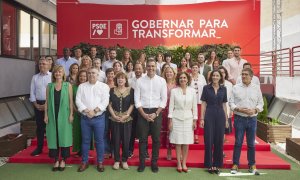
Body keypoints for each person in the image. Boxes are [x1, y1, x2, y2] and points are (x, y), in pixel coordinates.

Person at [134, 59, 167, 173]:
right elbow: (137, 99)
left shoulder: (162, 81)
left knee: (156, 140)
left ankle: (154, 163)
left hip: (156, 112)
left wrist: (156, 113)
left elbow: (164, 100)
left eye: (153, 66)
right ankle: (142, 163)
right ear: (145, 67)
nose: (151, 68)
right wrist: (143, 114)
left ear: (155, 67)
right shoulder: (139, 81)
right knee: (142, 139)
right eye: (148, 66)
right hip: (142, 112)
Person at [229, 68, 263, 175]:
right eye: (242, 74)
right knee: (238, 142)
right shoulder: (236, 87)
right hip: (239, 118)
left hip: (252, 119)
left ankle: (252, 165)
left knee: (251, 143)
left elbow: (261, 103)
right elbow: (231, 103)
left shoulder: (256, 88)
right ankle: (235, 164)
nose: (244, 76)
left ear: (251, 77)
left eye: (246, 74)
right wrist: (238, 109)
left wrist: (255, 110)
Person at [76, 67, 110, 173]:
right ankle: (84, 162)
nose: (91, 75)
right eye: (89, 73)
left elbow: (105, 101)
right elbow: (78, 100)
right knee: (85, 141)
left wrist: (94, 111)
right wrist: (86, 111)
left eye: (93, 73)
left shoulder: (104, 86)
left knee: (100, 141)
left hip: (99, 118)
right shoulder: (82, 86)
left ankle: (100, 162)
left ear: (98, 75)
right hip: (85, 118)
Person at [44, 65, 73, 171]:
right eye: (56, 72)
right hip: (52, 114)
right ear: (54, 74)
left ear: (63, 73)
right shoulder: (49, 86)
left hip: (64, 114)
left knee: (64, 136)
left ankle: (63, 160)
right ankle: (56, 159)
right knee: (53, 136)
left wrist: (71, 114)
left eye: (60, 72)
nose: (58, 74)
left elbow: (70, 101)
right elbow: (47, 101)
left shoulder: (67, 85)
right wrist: (46, 115)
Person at [168, 72, 197, 173]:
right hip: (176, 118)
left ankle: (184, 162)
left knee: (186, 142)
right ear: (178, 80)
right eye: (181, 78)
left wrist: (195, 120)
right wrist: (170, 121)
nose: (183, 79)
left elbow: (194, 106)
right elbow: (171, 107)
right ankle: (178, 163)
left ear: (188, 79)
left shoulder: (193, 91)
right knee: (178, 142)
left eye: (184, 78)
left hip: (189, 119)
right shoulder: (174, 91)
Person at [200, 69, 227, 174]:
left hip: (220, 114)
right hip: (209, 114)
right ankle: (209, 164)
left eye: (217, 75)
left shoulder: (223, 89)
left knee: (219, 140)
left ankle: (217, 164)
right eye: (213, 75)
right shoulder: (206, 88)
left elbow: (224, 105)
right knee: (209, 139)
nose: (215, 77)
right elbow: (203, 103)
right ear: (211, 77)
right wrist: (202, 118)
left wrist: (226, 119)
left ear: (220, 77)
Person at [108, 72, 134, 170]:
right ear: (116, 80)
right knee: (116, 139)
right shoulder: (111, 90)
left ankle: (124, 160)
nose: (120, 80)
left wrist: (127, 115)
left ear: (126, 80)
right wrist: (114, 115)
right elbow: (109, 105)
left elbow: (132, 104)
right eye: (118, 78)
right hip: (114, 119)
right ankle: (117, 161)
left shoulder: (131, 90)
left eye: (122, 78)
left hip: (127, 119)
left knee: (126, 140)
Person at [29, 57, 52, 156]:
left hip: (50, 104)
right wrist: (36, 104)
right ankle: (39, 148)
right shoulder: (35, 77)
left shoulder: (52, 76)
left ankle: (52, 149)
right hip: (38, 104)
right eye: (40, 64)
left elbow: (53, 92)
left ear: (48, 65)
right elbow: (32, 92)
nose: (41, 65)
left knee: (51, 127)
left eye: (43, 64)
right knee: (40, 128)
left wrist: (47, 105)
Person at [128, 62, 144, 158]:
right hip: (132, 108)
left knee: (143, 131)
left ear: (142, 69)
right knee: (132, 131)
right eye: (136, 68)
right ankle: (130, 150)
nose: (138, 70)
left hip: (143, 108)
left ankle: (144, 151)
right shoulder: (129, 81)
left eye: (140, 68)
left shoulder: (146, 80)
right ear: (134, 70)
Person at [161, 66, 177, 160]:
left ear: (174, 73)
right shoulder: (162, 84)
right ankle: (169, 150)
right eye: (167, 72)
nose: (169, 74)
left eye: (170, 72)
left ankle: (178, 152)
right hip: (164, 111)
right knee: (167, 130)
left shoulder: (177, 84)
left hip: (175, 111)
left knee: (175, 130)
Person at [72, 70, 88, 157]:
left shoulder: (89, 86)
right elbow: (71, 101)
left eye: (84, 76)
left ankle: (85, 151)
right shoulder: (73, 87)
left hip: (87, 114)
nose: (82, 78)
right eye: (81, 76)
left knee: (86, 133)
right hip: (77, 113)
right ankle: (79, 150)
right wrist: (76, 110)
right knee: (78, 132)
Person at [190, 63, 207, 144]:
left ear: (198, 69)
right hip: (190, 101)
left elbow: (205, 88)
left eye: (196, 67)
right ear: (191, 68)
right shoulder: (188, 76)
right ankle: (191, 134)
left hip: (199, 101)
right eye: (193, 67)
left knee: (197, 118)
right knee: (191, 118)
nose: (194, 69)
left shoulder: (202, 77)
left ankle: (196, 135)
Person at [103, 68, 115, 159]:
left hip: (115, 111)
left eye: (112, 74)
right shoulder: (103, 86)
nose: (110, 75)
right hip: (105, 111)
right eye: (109, 74)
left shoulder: (117, 85)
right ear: (106, 75)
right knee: (105, 131)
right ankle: (107, 150)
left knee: (115, 132)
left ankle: (114, 151)